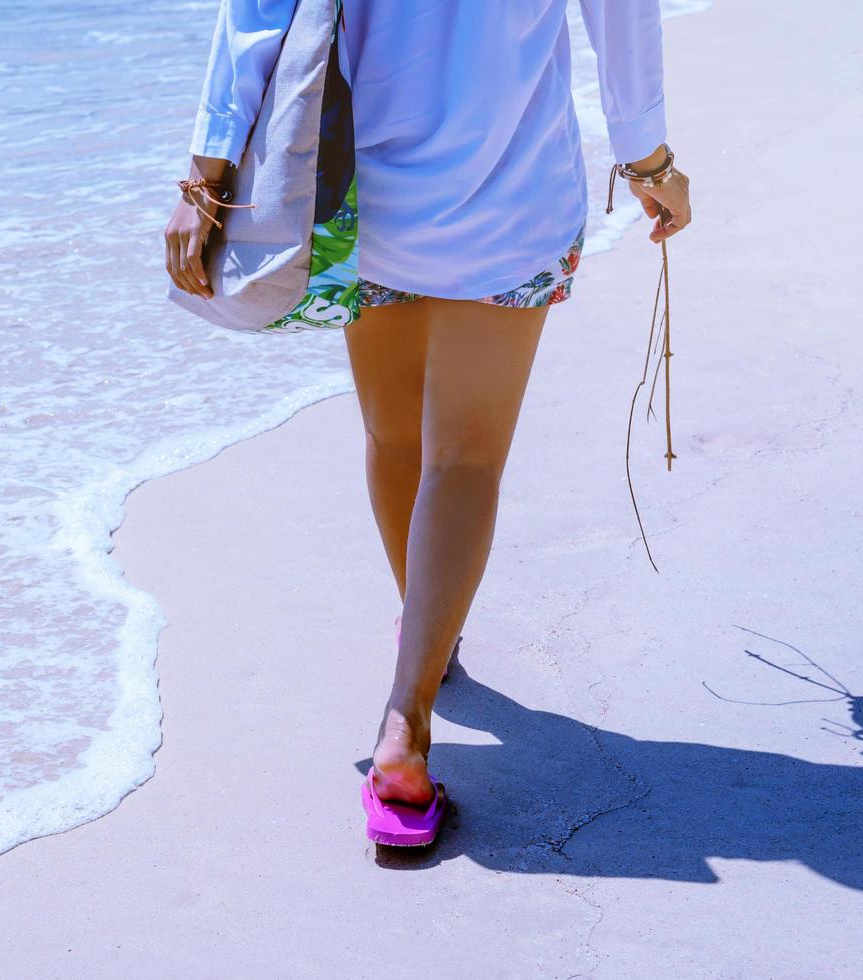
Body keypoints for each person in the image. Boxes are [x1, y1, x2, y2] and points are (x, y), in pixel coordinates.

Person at [164, 0, 693, 846]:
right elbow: (621, 14)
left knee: (395, 436)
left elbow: (256, 12)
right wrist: (649, 157)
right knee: (467, 460)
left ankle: (428, 639)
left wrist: (208, 173)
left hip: (362, 191)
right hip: (511, 196)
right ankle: (404, 720)